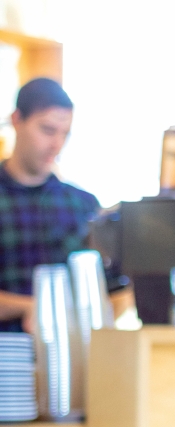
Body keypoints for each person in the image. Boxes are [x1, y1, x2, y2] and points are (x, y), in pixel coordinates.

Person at [0, 77, 100, 333]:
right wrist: (30, 307)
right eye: (47, 130)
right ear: (17, 120)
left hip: (72, 357)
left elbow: (114, 293)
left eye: (64, 133)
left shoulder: (84, 205)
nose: (57, 144)